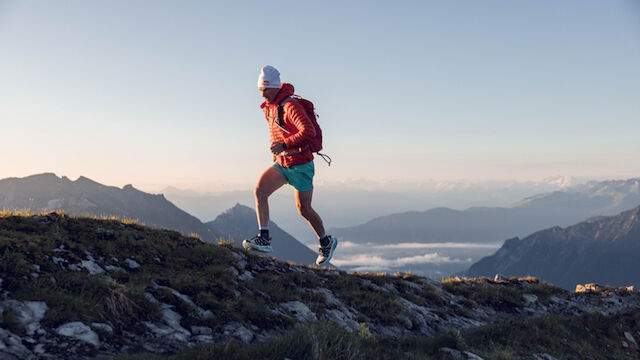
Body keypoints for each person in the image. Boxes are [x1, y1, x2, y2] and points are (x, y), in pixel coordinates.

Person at [242, 65, 338, 266]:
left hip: (301, 165)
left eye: (265, 90)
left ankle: (326, 241)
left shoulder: (290, 106)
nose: (263, 94)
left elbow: (308, 131)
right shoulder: (270, 108)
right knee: (260, 191)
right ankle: (264, 237)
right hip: (282, 163)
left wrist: (284, 145)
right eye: (260, 90)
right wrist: (279, 151)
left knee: (304, 209)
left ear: (275, 87)